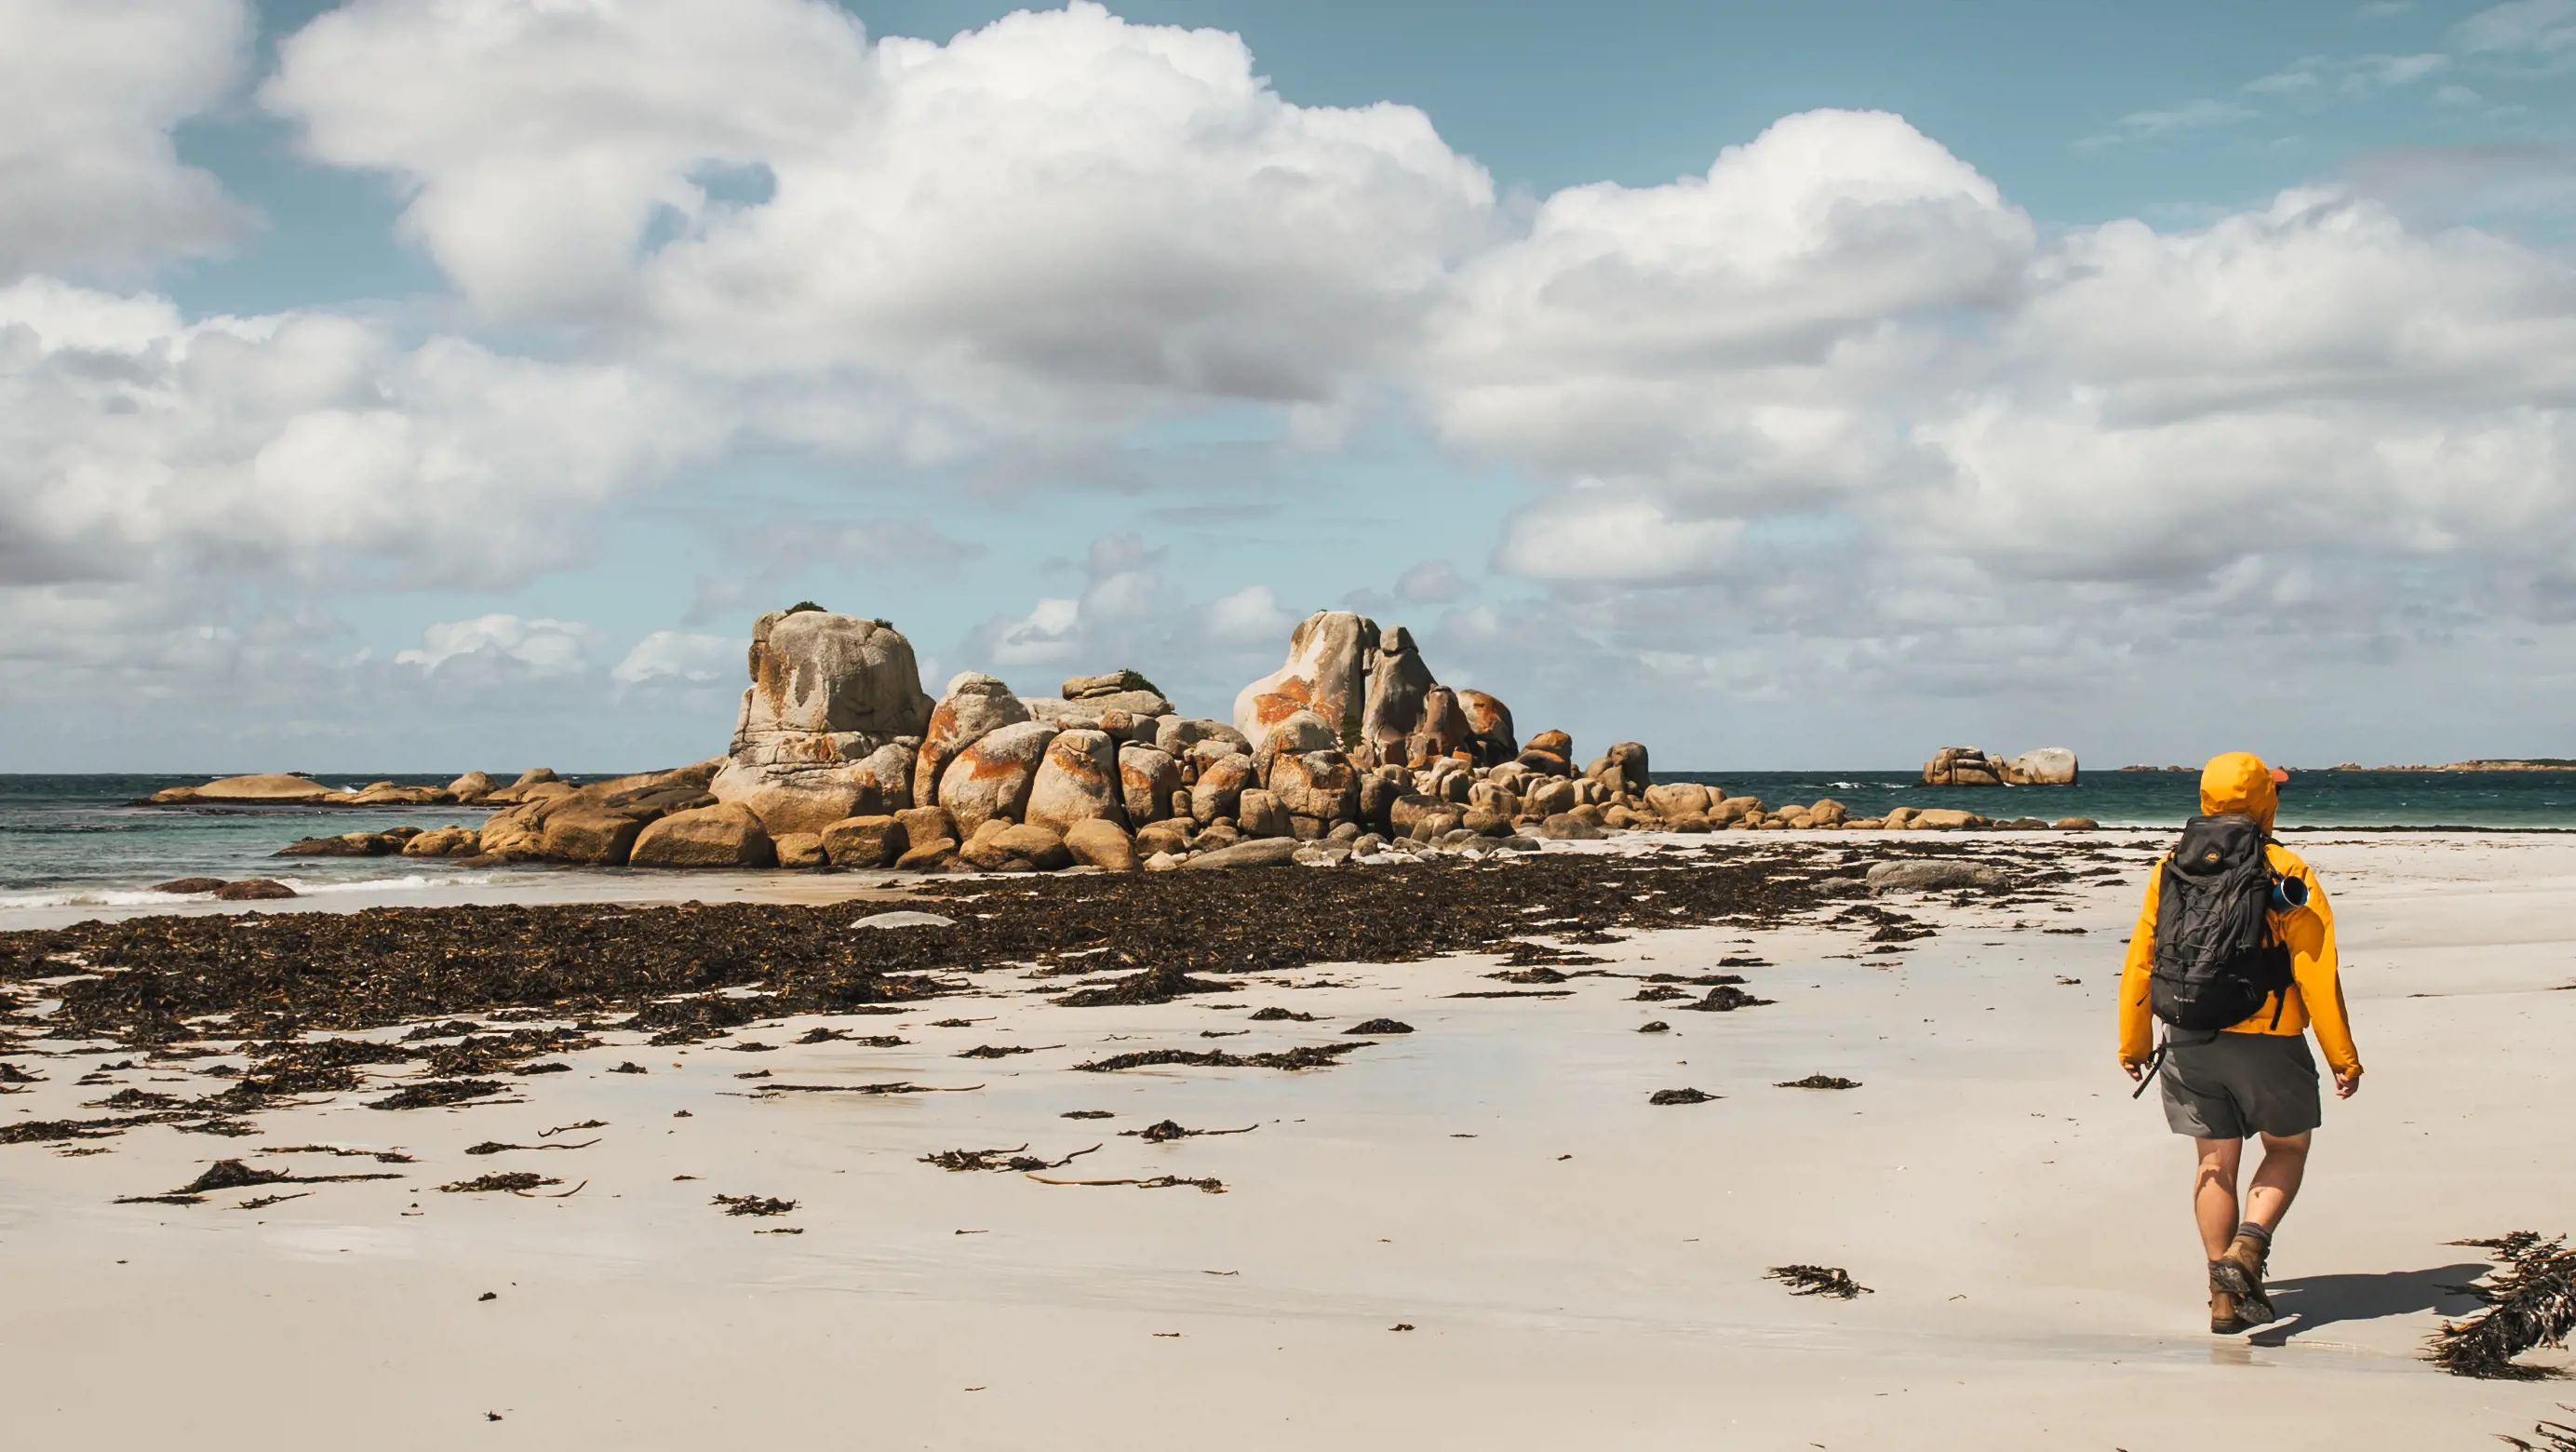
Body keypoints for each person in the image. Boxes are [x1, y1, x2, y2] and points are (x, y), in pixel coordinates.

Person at [2118, 751, 2362, 1334]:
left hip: (2186, 1035)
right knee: (2286, 1149)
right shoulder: (2287, 872)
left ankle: (2221, 1300)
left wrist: (2133, 1041)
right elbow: (2314, 970)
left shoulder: (2169, 867)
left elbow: (2141, 960)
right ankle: (2247, 1252)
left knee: (2214, 1163)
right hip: (2268, 1037)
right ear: (2263, 801)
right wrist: (2341, 1056)